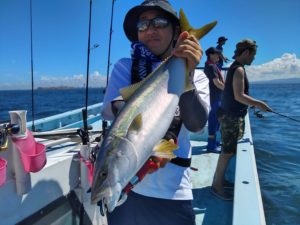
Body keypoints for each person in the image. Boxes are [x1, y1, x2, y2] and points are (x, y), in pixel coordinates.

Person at [101, 1, 210, 224]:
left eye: (159, 23)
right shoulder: (124, 67)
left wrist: (186, 73)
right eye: (143, 25)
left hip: (173, 193)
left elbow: (196, 124)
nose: (150, 30)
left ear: (177, 31)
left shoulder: (197, 76)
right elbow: (113, 110)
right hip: (127, 191)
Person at [211, 39, 272, 200]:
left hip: (229, 114)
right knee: (227, 152)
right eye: (253, 55)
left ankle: (220, 180)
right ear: (246, 53)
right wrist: (259, 103)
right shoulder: (238, 70)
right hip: (231, 117)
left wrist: (250, 104)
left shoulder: (236, 68)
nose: (254, 59)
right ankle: (217, 186)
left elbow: (234, 94)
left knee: (227, 151)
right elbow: (239, 95)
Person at [204, 47, 225, 152]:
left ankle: (215, 143)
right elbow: (217, 83)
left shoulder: (210, 65)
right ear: (211, 55)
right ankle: (211, 146)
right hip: (214, 97)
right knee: (213, 120)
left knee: (217, 120)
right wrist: (229, 90)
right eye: (217, 54)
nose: (219, 56)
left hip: (216, 96)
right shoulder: (211, 66)